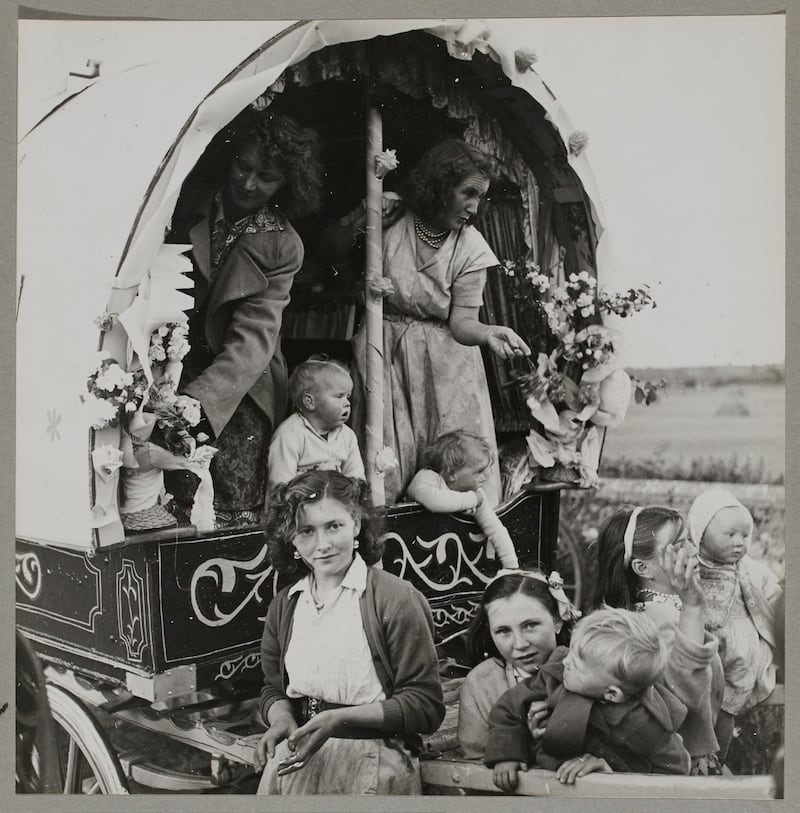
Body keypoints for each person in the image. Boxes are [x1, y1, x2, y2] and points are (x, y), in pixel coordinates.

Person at [320, 139, 531, 505]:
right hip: (383, 353)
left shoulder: (471, 247)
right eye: (468, 193)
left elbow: (462, 322)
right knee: (383, 461)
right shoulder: (393, 217)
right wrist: (364, 216)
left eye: (479, 197)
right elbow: (328, 249)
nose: (473, 207)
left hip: (446, 368)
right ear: (440, 184)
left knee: (452, 467)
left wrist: (488, 332)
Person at [164, 107, 324, 528]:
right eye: (242, 165)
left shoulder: (284, 246)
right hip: (172, 352)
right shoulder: (184, 201)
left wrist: (197, 404)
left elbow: (252, 341)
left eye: (266, 177)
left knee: (225, 471)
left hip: (239, 377)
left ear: (286, 184)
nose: (248, 183)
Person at [253, 470, 445, 795]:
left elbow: (425, 706)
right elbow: (274, 689)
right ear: (291, 539)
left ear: (356, 523)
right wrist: (282, 719)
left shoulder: (395, 599)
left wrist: (338, 721)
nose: (323, 544)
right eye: (306, 531)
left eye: (334, 526)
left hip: (372, 761)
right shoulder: (285, 606)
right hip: (297, 757)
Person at [484, 608, 691, 791]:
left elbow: (673, 774)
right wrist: (507, 754)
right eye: (570, 653)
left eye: (577, 665)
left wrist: (614, 775)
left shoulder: (642, 723)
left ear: (611, 694)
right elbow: (509, 707)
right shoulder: (557, 675)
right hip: (548, 782)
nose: (565, 661)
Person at [594, 506, 725, 775]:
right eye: (678, 545)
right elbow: (685, 690)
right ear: (643, 567)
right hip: (682, 764)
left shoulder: (657, 609)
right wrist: (693, 606)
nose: (693, 551)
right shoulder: (659, 620)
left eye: (689, 539)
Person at [687, 488, 782, 756]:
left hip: (741, 652)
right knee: (700, 704)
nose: (739, 542)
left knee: (727, 707)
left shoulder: (750, 568)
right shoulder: (692, 565)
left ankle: (719, 756)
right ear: (700, 533)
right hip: (704, 648)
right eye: (729, 535)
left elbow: (773, 594)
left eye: (744, 535)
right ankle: (697, 751)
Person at [457, 569, 578, 759]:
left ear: (557, 620)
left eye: (530, 625)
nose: (520, 644)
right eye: (503, 631)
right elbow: (477, 760)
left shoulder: (590, 668)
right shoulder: (480, 683)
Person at [407, 431, 519, 568]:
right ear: (452, 473)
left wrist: (511, 565)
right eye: (479, 471)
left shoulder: (475, 494)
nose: (487, 476)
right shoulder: (427, 478)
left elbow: (496, 529)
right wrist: (472, 499)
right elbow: (434, 501)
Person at [268, 355, 365, 488]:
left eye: (348, 397)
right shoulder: (289, 436)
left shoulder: (347, 436)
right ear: (310, 402)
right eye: (339, 396)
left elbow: (356, 476)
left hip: (336, 504)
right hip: (302, 505)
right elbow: (279, 484)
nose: (347, 403)